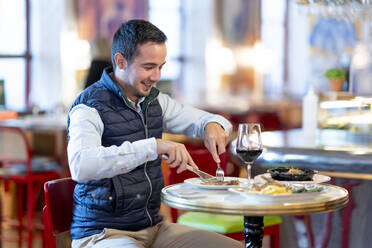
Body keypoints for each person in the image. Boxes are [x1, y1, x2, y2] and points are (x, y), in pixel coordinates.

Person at [67, 19, 242, 248]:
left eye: (161, 66)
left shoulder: (154, 101)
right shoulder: (89, 106)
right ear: (121, 61)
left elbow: (205, 119)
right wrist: (154, 147)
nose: (157, 76)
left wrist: (213, 125)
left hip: (155, 228)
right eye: (149, 67)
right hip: (103, 233)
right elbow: (81, 166)